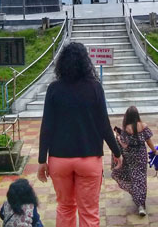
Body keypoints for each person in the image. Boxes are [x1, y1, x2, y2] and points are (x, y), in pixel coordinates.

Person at [37, 42, 123, 227]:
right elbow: (104, 126)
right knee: (89, 213)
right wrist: (117, 152)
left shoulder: (54, 89)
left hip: (59, 160)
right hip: (89, 160)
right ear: (86, 62)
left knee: (65, 208)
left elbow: (47, 127)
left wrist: (42, 159)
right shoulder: (95, 88)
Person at [111, 106, 158, 217]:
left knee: (134, 176)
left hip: (130, 156)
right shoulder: (143, 126)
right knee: (141, 178)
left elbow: (124, 144)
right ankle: (141, 203)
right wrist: (155, 151)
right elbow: (149, 141)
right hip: (141, 155)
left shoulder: (126, 128)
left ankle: (138, 201)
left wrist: (118, 136)